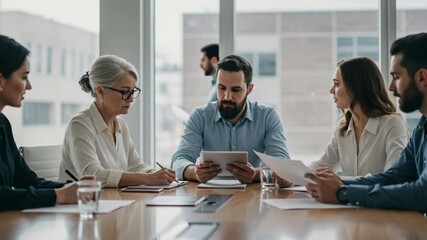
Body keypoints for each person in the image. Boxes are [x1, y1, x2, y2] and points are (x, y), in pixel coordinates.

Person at [305, 32, 427, 212]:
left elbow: (422, 194)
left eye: (397, 77)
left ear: (422, 78)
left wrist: (344, 193)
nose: (391, 87)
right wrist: (337, 184)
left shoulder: (393, 123)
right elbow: (395, 177)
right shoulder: (422, 128)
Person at [0, 34, 91, 211]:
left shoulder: (3, 123)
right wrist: (60, 195)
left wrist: (71, 188)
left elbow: (27, 181)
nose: (29, 86)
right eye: (24, 77)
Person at [58, 55, 176, 187]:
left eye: (133, 91)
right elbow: (92, 175)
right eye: (125, 91)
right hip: (82, 204)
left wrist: (156, 174)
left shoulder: (121, 125)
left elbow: (135, 165)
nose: (131, 99)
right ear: (101, 91)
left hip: (114, 202)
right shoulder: (80, 124)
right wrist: (147, 178)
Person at [171, 55, 290, 183]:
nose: (227, 96)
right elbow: (179, 160)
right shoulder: (200, 116)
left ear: (249, 89)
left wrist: (255, 174)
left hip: (253, 196)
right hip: (210, 195)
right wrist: (194, 172)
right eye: (221, 88)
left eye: (236, 90)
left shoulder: (268, 116)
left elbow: (283, 166)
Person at [309, 57, 407, 177]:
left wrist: (342, 183)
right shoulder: (343, 130)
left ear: (356, 87)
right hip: (348, 196)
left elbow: (393, 176)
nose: (331, 90)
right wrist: (290, 178)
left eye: (336, 84)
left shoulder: (392, 124)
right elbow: (321, 166)